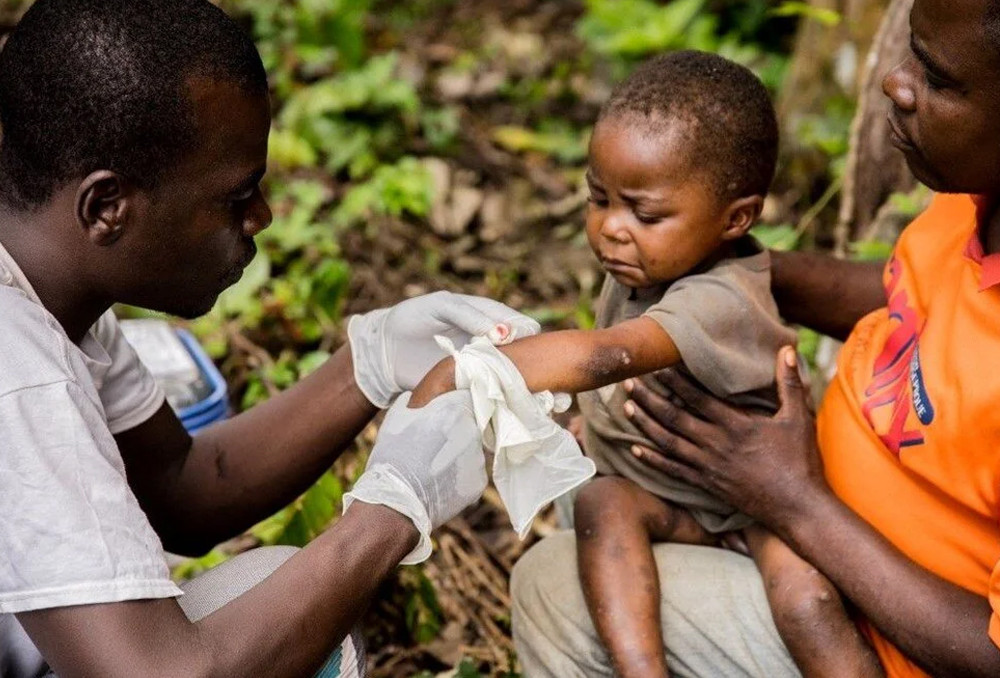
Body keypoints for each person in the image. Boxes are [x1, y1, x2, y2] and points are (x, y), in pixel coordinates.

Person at [0, 1, 542, 676]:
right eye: (236, 196)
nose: (262, 215)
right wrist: (392, 511)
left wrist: (367, 365)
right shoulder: (19, 373)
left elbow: (182, 487)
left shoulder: (50, 291)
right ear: (107, 207)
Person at [510, 0, 1000, 676]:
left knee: (553, 590)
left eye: (940, 81)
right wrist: (719, 278)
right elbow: (913, 295)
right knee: (589, 488)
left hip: (877, 626)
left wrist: (796, 502)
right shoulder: (974, 206)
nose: (896, 80)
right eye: (913, 50)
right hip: (787, 505)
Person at [409, 51, 881, 678]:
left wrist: (471, 370)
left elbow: (611, 355)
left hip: (760, 509)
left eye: (645, 213)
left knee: (808, 601)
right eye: (597, 199)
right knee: (606, 507)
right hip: (677, 500)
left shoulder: (720, 297)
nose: (611, 228)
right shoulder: (647, 265)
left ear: (735, 218)